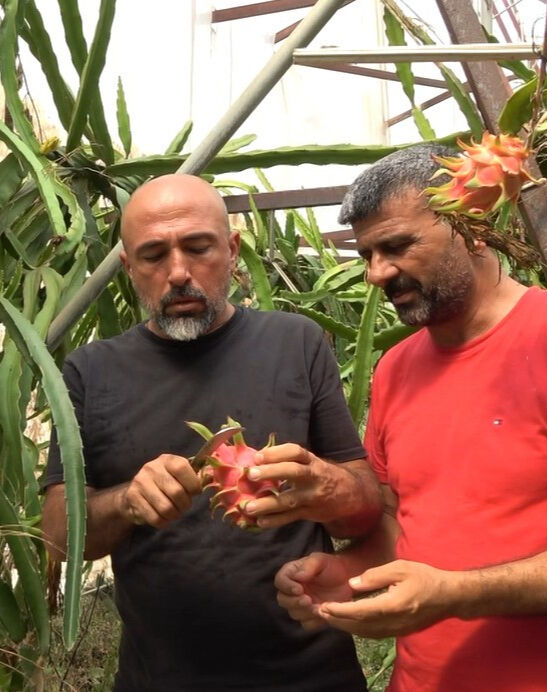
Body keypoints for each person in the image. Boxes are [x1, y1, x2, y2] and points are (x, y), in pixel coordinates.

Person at [266, 144, 547, 691]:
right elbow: (405, 527)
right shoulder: (396, 369)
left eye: (397, 246)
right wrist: (347, 574)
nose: (377, 273)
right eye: (366, 254)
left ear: (471, 227)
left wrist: (455, 594)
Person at [40, 173, 383, 691]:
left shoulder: (297, 343)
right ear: (128, 267)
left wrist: (325, 487)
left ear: (232, 249)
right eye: (154, 256)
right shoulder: (91, 372)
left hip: (311, 676)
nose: (178, 272)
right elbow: (59, 537)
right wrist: (128, 502)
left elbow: (365, 507)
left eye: (198, 247)